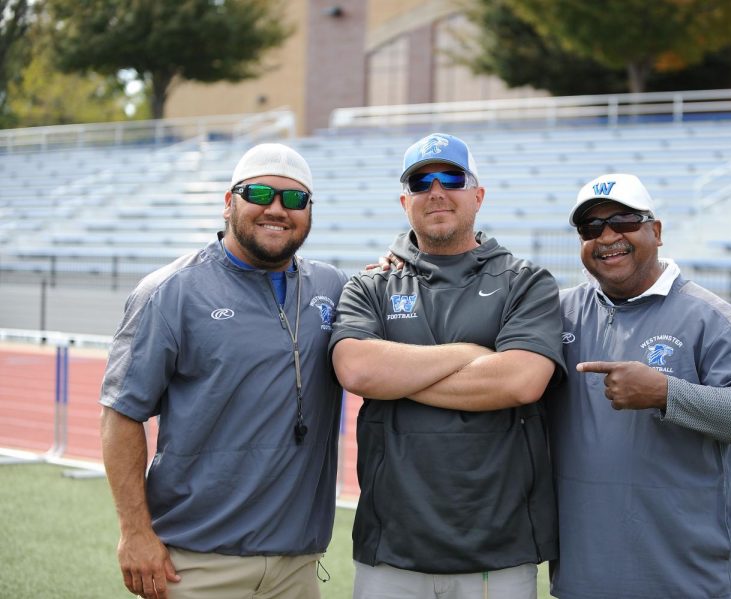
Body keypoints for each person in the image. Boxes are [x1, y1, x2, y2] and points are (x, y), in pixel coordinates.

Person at [99, 143, 348, 599]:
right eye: (259, 194)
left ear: (310, 211)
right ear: (229, 201)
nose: (277, 209)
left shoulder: (332, 287)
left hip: (297, 565)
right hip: (197, 563)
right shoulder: (169, 291)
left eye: (295, 200)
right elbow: (121, 414)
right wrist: (134, 531)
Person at [329, 132, 566, 599]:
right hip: (390, 546)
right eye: (421, 182)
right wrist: (471, 355)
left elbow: (521, 381)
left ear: (477, 195)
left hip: (498, 549)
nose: (436, 191)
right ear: (405, 201)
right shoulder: (371, 284)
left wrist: (395, 377)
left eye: (451, 178)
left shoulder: (527, 281)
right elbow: (357, 372)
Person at [547, 173, 731, 599]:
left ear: (655, 231)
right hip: (583, 580)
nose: (607, 237)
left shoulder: (710, 317)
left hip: (686, 581)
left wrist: (666, 393)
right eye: (592, 228)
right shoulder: (557, 313)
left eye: (623, 221)